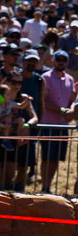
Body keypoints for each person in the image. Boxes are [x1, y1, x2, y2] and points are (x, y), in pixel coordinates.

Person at [39, 50, 77, 193]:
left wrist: (71, 110)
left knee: (56, 159)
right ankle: (44, 186)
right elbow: (44, 100)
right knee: (47, 157)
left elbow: (73, 101)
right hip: (48, 124)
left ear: (67, 62)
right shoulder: (46, 77)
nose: (61, 61)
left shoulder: (70, 79)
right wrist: (62, 110)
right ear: (53, 61)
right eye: (58, 59)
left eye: (64, 59)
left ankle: (48, 187)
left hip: (63, 125)